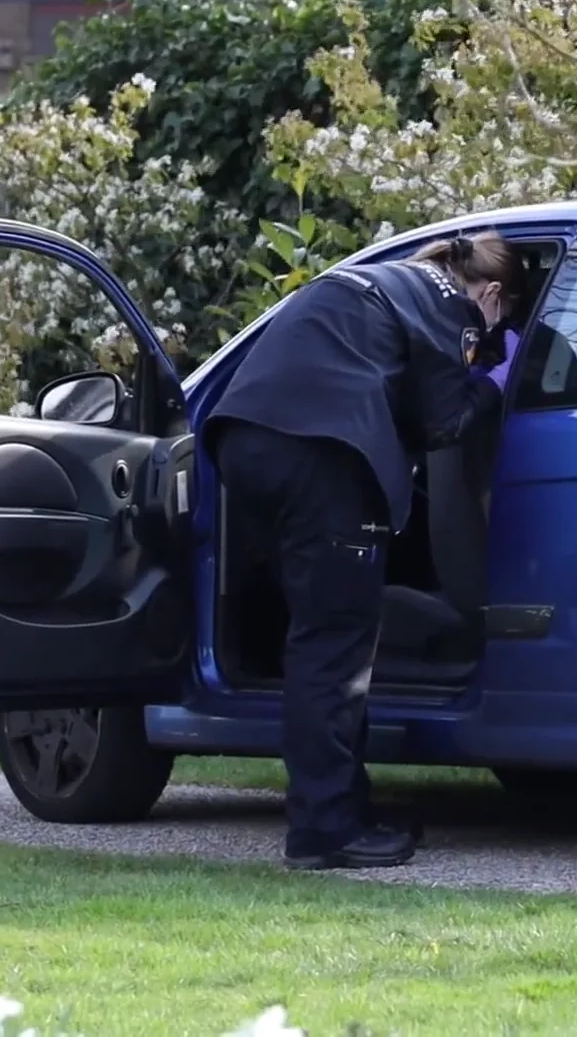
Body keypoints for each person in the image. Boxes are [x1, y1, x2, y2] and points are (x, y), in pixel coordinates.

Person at [204, 233, 523, 871]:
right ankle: (325, 832)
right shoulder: (450, 309)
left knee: (320, 634)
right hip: (324, 458)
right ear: (490, 294)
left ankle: (345, 807)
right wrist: (496, 378)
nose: (490, 329)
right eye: (500, 317)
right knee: (335, 647)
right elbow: (444, 423)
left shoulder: (382, 281)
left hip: (245, 444)